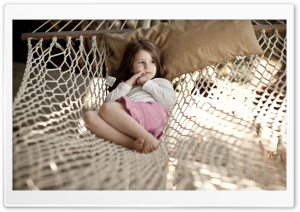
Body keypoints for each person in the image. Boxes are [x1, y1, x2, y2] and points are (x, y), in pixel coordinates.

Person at [83, 40, 176, 154]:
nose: (147, 66)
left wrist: (147, 83)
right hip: (130, 124)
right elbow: (109, 101)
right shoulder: (126, 86)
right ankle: (133, 144)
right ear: (131, 67)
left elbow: (169, 102)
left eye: (152, 62)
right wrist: (130, 82)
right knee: (89, 117)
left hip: (152, 115)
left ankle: (146, 137)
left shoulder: (160, 82)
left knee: (107, 109)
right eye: (141, 62)